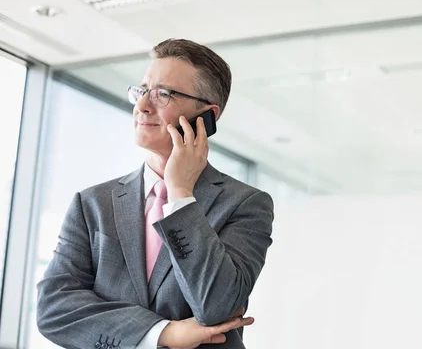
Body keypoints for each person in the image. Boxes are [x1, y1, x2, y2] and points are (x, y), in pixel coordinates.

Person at [36, 39, 275, 349]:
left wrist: (180, 194)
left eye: (163, 94)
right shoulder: (92, 203)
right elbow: (53, 309)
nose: (143, 106)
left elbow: (216, 306)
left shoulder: (245, 204)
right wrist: (163, 333)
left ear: (206, 116)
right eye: (142, 90)